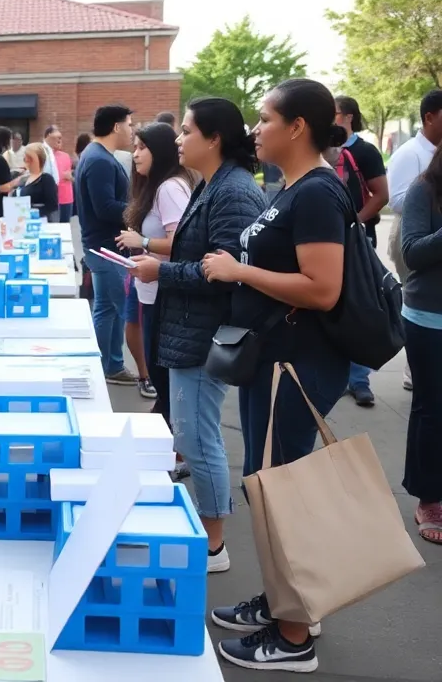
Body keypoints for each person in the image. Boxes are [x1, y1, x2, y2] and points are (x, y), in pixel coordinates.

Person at [204, 79, 348, 673]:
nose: (255, 129)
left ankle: (294, 638)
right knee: (267, 486)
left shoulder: (315, 193)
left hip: (296, 363)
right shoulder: (294, 187)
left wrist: (239, 271)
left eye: (264, 118)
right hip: (276, 360)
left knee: (283, 492)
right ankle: (285, 603)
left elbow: (323, 288)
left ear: (297, 127)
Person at [128, 102, 264, 570]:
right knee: (192, 434)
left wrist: (160, 270)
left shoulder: (233, 191)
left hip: (206, 334)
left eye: (186, 131)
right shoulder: (214, 183)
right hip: (191, 330)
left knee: (199, 440)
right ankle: (209, 536)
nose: (178, 139)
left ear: (214, 138)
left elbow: (224, 272)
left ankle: (213, 545)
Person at [117, 123, 195, 405]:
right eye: (134, 147)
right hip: (153, 289)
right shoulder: (156, 187)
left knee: (162, 377)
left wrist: (144, 241)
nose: (135, 154)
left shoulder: (169, 188)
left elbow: (182, 242)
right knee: (158, 375)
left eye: (142, 148)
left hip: (165, 292)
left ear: (160, 151)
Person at [399, 142, 442, 545]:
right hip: (430, 320)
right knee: (433, 409)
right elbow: (411, 251)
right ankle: (429, 496)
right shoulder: (425, 189)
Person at [385, 89, 442, 392]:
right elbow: (395, 199)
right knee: (417, 289)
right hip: (412, 228)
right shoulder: (410, 154)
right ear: (429, 117)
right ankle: (415, 371)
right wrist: (425, 198)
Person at [76, 104, 137, 384]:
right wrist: (139, 211)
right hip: (106, 248)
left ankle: (110, 365)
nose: (132, 131)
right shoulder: (99, 159)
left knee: (106, 307)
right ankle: (110, 366)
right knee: (121, 309)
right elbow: (105, 207)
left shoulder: (96, 155)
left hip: (101, 246)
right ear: (116, 126)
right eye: (129, 125)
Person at [333, 95, 388, 407]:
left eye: (334, 113)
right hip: (328, 241)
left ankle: (359, 380)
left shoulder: (365, 151)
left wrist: (354, 223)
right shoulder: (321, 148)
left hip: (359, 241)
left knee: (358, 306)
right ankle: (337, 376)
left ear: (349, 116)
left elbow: (381, 194)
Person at [18, 142, 59, 219]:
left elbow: (52, 206)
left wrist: (31, 212)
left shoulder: (46, 179)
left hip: (40, 220)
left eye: (29, 157)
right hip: (24, 220)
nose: (25, 159)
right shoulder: (24, 179)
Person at [46, 126, 74, 222]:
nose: (59, 140)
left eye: (60, 139)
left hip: (67, 197)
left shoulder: (66, 156)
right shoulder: (46, 155)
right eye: (57, 138)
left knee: (65, 225)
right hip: (53, 198)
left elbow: (70, 175)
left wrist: (70, 177)